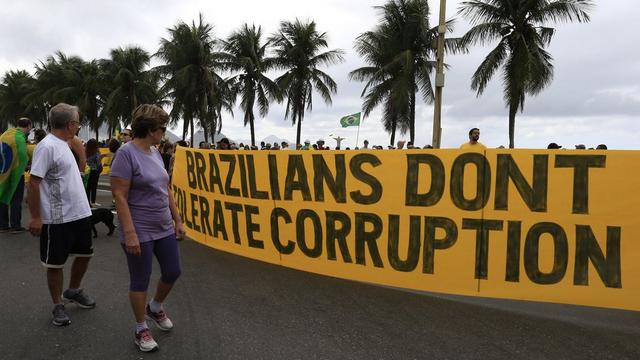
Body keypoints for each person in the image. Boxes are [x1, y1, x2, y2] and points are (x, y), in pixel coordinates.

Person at [110, 104, 185, 352]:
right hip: (139, 227)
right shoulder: (125, 153)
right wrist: (129, 232)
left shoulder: (155, 152)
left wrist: (178, 220)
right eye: (162, 128)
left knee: (173, 271)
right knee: (140, 279)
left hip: (163, 225)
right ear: (151, 130)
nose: (164, 132)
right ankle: (140, 327)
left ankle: (154, 307)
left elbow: (167, 188)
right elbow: (119, 195)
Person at [27, 103, 96, 326]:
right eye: (77, 123)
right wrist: (36, 218)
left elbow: (76, 146)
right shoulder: (47, 147)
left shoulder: (65, 142)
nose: (78, 127)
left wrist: (80, 151)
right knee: (55, 264)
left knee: (85, 255)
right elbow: (34, 183)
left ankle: (73, 290)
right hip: (57, 218)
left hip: (80, 213)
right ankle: (58, 304)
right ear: (70, 124)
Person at [0, 117, 32, 233]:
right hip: (15, 173)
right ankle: (15, 226)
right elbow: (23, 156)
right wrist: (27, 165)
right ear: (28, 126)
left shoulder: (6, 134)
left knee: (3, 196)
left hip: (3, 171)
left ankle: (3, 225)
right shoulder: (19, 138)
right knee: (16, 199)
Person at [85, 139, 103, 207]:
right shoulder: (96, 153)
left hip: (87, 170)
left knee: (88, 187)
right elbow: (98, 163)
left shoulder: (86, 151)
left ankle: (87, 201)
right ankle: (93, 201)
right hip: (95, 171)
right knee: (94, 187)